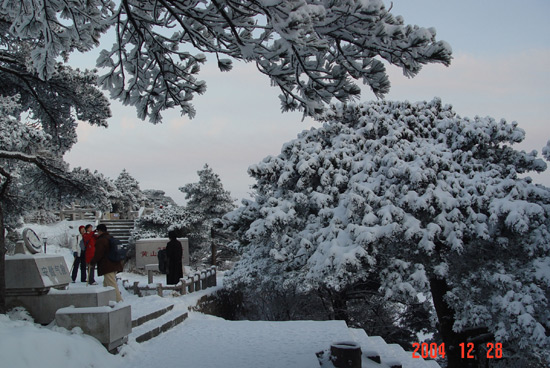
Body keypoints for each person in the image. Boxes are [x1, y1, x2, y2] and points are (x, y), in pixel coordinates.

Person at [90, 224, 123, 302]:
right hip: (114, 263)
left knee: (112, 285)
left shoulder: (101, 240)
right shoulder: (110, 238)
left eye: (97, 231)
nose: (97, 233)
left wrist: (92, 262)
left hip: (108, 266)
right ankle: (106, 301)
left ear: (100, 231)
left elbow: (98, 254)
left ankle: (119, 301)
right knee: (106, 284)